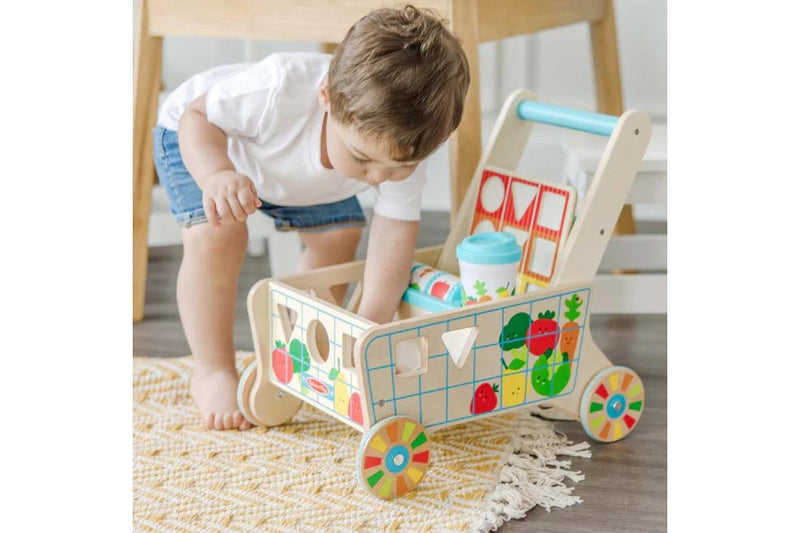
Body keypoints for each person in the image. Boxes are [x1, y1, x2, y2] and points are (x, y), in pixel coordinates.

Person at [152, 5, 470, 430]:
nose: (379, 177)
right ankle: (212, 368)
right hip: (207, 143)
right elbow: (197, 116)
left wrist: (369, 328)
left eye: (397, 169)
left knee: (341, 236)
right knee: (219, 234)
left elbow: (393, 240)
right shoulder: (276, 88)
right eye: (364, 158)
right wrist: (217, 175)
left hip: (300, 178)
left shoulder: (405, 146)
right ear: (326, 100)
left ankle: (302, 341)